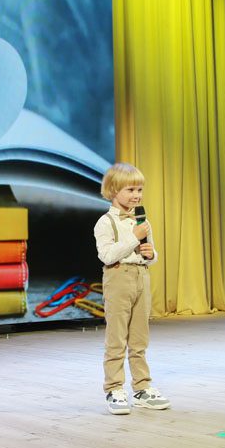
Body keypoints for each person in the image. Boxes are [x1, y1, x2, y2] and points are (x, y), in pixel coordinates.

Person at [94, 162, 170, 415]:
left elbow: (152, 254)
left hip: (141, 276)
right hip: (118, 277)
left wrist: (151, 254)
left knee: (139, 337)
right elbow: (107, 255)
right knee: (117, 337)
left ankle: (142, 387)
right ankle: (114, 388)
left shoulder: (142, 220)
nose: (136, 195)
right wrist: (134, 238)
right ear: (113, 190)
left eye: (139, 190)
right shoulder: (105, 222)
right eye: (131, 190)